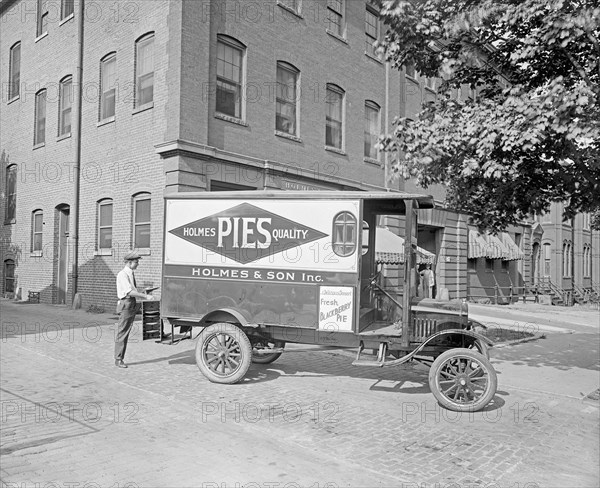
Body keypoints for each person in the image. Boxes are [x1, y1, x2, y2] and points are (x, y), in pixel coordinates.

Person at [114, 251, 153, 368]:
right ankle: (118, 359)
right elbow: (129, 292)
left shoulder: (130, 273)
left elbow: (133, 290)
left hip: (131, 303)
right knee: (123, 332)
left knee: (127, 330)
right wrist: (145, 296)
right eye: (136, 262)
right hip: (126, 304)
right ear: (130, 262)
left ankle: (160, 334)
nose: (138, 264)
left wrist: (143, 292)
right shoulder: (123, 274)